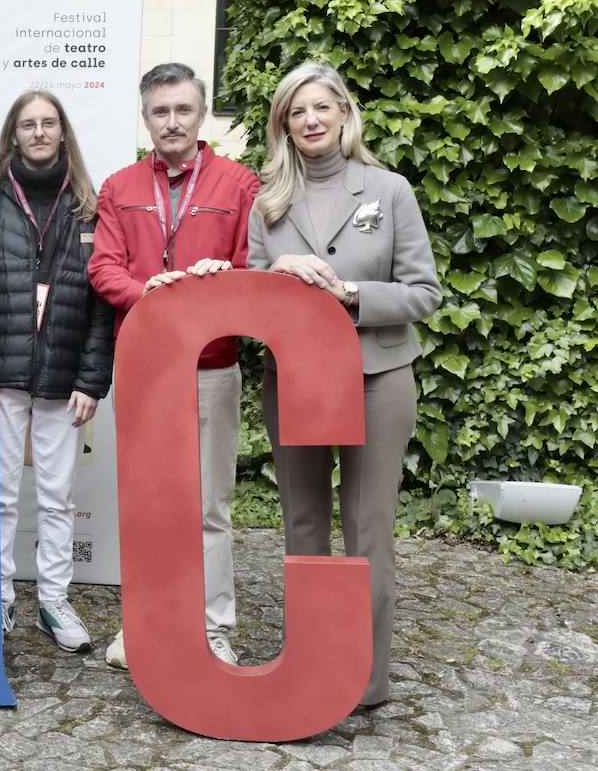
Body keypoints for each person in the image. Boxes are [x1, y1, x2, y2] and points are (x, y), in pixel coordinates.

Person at [247, 61, 440, 707]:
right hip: (295, 380)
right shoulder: (266, 200)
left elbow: (424, 293)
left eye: (321, 107)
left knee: (368, 529)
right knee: (303, 526)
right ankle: (311, 665)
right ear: (283, 124)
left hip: (376, 379)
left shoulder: (389, 190)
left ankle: (366, 677)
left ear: (343, 113)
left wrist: (352, 292)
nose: (310, 119)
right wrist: (277, 270)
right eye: (296, 111)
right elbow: (244, 297)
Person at [89, 62, 260, 669]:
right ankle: (143, 627)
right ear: (146, 117)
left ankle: (213, 631)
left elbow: (251, 269)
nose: (172, 121)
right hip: (143, 369)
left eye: (183, 109)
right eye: (160, 111)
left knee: (209, 507)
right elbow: (103, 268)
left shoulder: (240, 185)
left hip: (212, 367)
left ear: (202, 114)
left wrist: (218, 289)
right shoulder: (119, 185)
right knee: (149, 505)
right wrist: (153, 295)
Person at [0, 90, 114, 652]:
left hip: (64, 376)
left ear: (62, 132)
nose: (39, 132)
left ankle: (53, 602)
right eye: (28, 124)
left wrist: (91, 379)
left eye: (49, 123)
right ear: (14, 134)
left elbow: (103, 304)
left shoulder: (91, 208)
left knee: (56, 497)